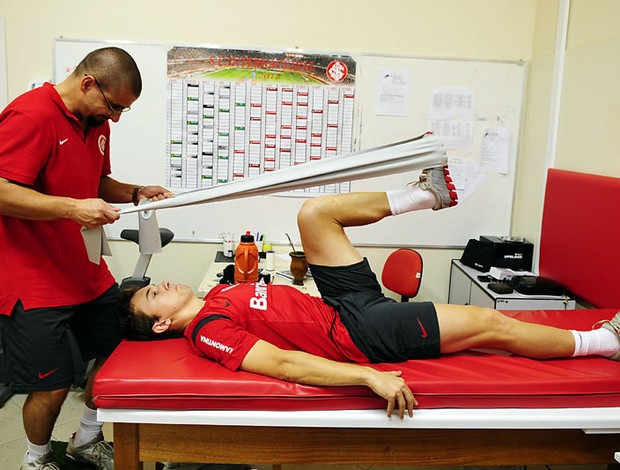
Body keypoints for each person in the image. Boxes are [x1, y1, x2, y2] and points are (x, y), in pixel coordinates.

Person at [117, 165, 620, 420]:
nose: (159, 284)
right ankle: (603, 343)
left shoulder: (219, 295)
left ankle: (426, 195)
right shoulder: (207, 331)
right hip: (358, 333)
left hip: (338, 302)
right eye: (152, 297)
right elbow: (286, 366)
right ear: (162, 324)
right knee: (492, 326)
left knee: (315, 213)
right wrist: (366, 376)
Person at [0, 47, 173, 470]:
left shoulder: (95, 121)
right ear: (87, 83)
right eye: (114, 105)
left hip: (85, 271)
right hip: (34, 280)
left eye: (123, 111)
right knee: (53, 386)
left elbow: (94, 180)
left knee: (120, 356)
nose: (114, 118)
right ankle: (36, 459)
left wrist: (134, 192)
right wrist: (72, 208)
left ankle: (86, 439)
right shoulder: (31, 115)